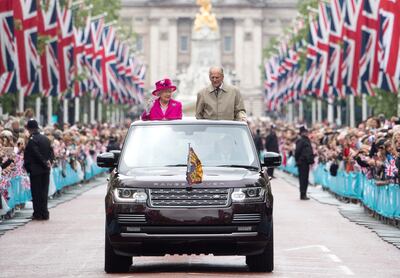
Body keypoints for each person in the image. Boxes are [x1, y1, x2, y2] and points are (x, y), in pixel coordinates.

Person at [23, 119, 54, 220]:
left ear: (29, 129)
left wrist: (44, 162)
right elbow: (51, 152)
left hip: (36, 170)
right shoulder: (45, 138)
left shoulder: (32, 140)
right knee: (44, 192)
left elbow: (36, 154)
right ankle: (45, 213)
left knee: (36, 193)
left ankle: (38, 213)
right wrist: (49, 162)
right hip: (46, 170)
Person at [295, 126, 314, 200]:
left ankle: (304, 193)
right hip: (302, 162)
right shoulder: (301, 140)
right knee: (303, 178)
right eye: (305, 132)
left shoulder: (306, 140)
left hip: (306, 162)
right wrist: (298, 160)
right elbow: (297, 151)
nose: (306, 133)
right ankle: (302, 194)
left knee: (305, 178)